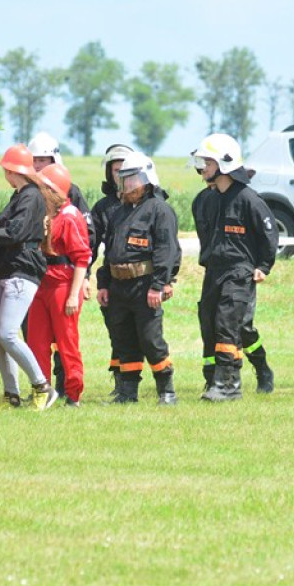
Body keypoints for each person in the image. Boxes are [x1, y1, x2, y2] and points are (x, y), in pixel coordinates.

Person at [190, 134, 278, 401]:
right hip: (213, 271)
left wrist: (263, 266)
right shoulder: (203, 200)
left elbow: (269, 235)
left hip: (240, 271)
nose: (203, 167)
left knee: (228, 324)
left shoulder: (249, 199)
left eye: (208, 162)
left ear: (225, 164)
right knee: (209, 323)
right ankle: (213, 380)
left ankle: (230, 385)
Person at [0, 144, 59, 411]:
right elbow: (0, 240)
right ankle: (11, 394)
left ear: (11, 171)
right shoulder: (19, 196)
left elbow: (13, 234)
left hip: (21, 269)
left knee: (7, 333)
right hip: (4, 268)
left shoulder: (31, 197)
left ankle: (42, 386)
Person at [96, 152, 179, 404]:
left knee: (150, 339)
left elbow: (167, 250)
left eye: (131, 181)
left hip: (145, 286)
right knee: (123, 340)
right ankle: (127, 392)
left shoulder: (159, 210)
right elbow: (110, 252)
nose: (126, 187)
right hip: (119, 286)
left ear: (146, 180)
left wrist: (159, 285)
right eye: (123, 181)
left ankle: (166, 391)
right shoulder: (119, 212)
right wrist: (103, 283)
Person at [27, 132, 96, 397]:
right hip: (40, 279)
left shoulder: (70, 214)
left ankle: (73, 392)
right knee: (36, 341)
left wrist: (75, 291)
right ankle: (42, 391)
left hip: (63, 280)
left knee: (67, 342)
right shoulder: (37, 205)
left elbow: (82, 254)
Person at [91, 143, 133, 397]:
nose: (119, 175)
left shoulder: (151, 204)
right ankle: (122, 384)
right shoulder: (103, 208)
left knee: (147, 336)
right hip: (113, 279)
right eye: (115, 170)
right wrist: (90, 279)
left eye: (124, 170)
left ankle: (164, 387)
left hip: (143, 280)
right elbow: (91, 247)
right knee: (117, 333)